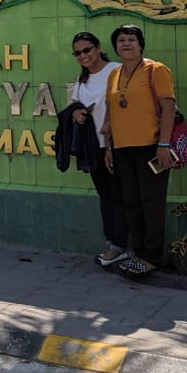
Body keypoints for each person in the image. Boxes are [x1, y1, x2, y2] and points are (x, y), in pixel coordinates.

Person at [101, 24, 175, 276]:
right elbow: (111, 113)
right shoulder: (114, 74)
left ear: (140, 44)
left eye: (131, 39)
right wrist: (109, 147)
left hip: (151, 148)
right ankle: (139, 252)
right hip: (122, 149)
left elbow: (168, 108)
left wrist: (163, 144)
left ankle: (153, 257)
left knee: (151, 202)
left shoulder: (156, 70)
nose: (126, 44)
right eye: (121, 40)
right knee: (131, 203)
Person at [67, 31, 128, 267]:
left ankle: (120, 245)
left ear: (97, 48)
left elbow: (126, 102)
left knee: (119, 196)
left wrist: (112, 125)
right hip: (94, 148)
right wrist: (75, 112)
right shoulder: (82, 79)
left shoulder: (115, 70)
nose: (83, 56)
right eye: (78, 53)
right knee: (106, 197)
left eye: (87, 50)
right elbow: (74, 103)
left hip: (116, 145)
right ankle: (110, 240)